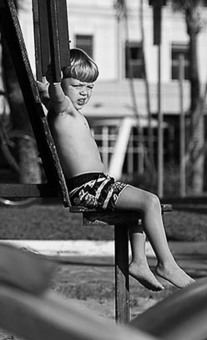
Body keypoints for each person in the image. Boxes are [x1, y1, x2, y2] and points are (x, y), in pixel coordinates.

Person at [36, 48, 195, 290]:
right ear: (62, 85)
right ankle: (167, 265)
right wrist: (54, 79)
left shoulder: (69, 113)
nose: (85, 93)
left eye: (90, 88)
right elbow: (54, 95)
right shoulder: (63, 111)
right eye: (78, 86)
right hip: (88, 186)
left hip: (98, 183)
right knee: (150, 202)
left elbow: (49, 93)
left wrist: (53, 83)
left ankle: (139, 262)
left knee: (140, 206)